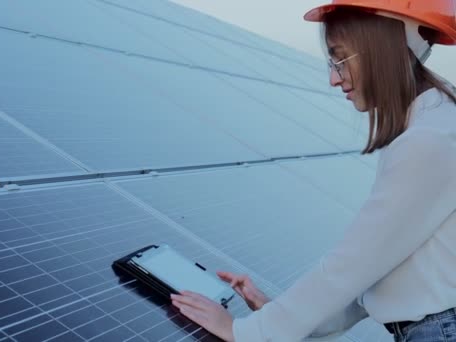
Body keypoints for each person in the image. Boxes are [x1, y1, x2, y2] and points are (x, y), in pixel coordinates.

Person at [171, 0, 456, 341]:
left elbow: (353, 265)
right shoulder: (434, 123)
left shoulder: (429, 140)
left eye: (340, 58)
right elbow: (388, 272)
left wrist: (246, 332)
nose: (333, 78)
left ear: (381, 46)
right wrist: (276, 313)